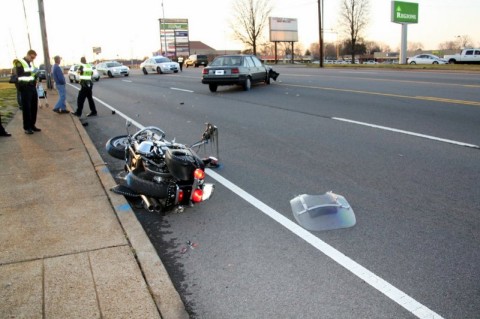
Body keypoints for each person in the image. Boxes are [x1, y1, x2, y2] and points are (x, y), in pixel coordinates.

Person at [14, 49, 40, 134]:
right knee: (27, 108)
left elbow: (31, 75)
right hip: (25, 88)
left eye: (34, 58)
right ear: (29, 54)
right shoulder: (19, 62)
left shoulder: (30, 63)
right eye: (32, 57)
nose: (33, 59)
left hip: (32, 87)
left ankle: (32, 125)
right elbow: (20, 74)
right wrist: (32, 73)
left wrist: (35, 75)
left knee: (34, 107)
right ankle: (27, 127)